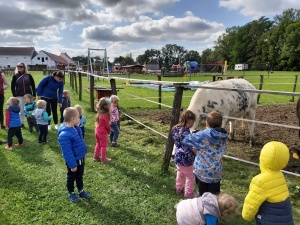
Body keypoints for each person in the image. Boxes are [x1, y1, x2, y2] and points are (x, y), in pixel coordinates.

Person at [242, 141, 294, 225]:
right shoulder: (280, 176)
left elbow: (251, 204)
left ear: (262, 158)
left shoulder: (260, 181)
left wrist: (246, 216)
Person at [182, 111, 227, 196]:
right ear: (221, 125)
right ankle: (213, 207)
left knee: (202, 195)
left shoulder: (202, 135)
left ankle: (202, 205)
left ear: (206, 123)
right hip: (216, 172)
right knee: (214, 196)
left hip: (201, 172)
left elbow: (185, 139)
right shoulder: (223, 136)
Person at [57, 107, 91, 203]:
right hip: (73, 161)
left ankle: (80, 190)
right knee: (71, 177)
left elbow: (81, 141)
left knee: (80, 175)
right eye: (78, 117)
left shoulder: (77, 128)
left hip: (80, 158)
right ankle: (71, 193)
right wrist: (72, 165)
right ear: (72, 119)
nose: (79, 119)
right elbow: (67, 151)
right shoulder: (64, 134)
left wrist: (85, 151)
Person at [172, 110, 196, 199]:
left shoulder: (176, 129)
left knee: (180, 172)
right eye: (193, 121)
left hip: (178, 156)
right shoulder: (188, 135)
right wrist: (198, 154)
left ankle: (179, 188)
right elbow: (192, 148)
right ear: (190, 121)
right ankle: (188, 194)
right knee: (190, 176)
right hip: (186, 159)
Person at [11, 62, 36, 129]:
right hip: (20, 95)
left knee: (31, 110)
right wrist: (14, 95)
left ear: (24, 67)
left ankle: (32, 123)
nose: (19, 68)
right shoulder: (15, 76)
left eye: (21, 66)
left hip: (28, 95)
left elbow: (33, 86)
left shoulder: (29, 76)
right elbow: (12, 86)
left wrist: (34, 95)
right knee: (21, 110)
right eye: (18, 66)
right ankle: (21, 123)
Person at [94, 97, 111, 163]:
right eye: (109, 105)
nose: (110, 106)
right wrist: (109, 131)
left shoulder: (99, 113)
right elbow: (107, 125)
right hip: (102, 133)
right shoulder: (105, 115)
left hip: (97, 131)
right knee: (104, 146)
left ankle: (96, 156)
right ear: (105, 106)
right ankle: (103, 159)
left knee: (98, 143)